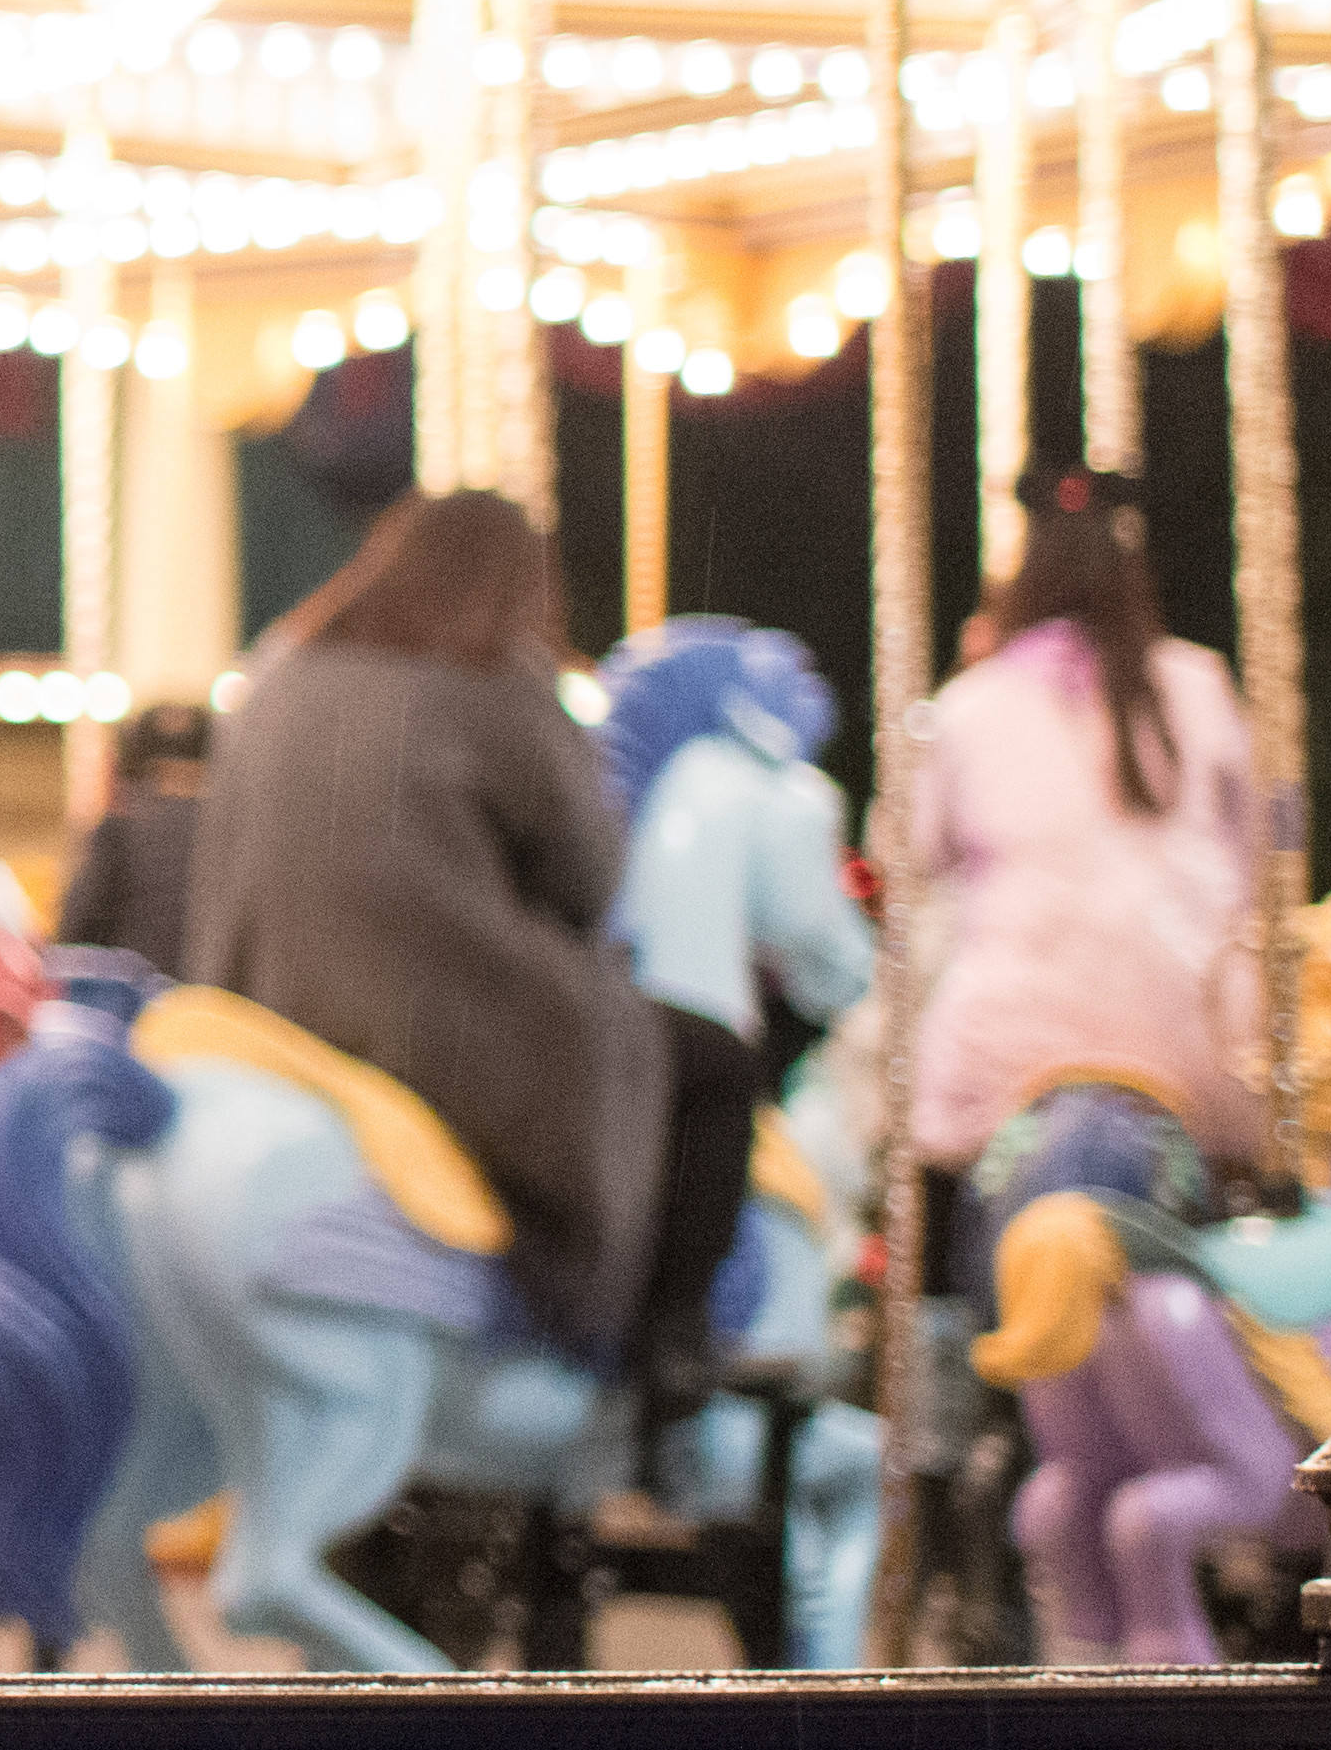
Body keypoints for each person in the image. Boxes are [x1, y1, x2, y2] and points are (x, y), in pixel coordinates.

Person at [188, 491, 673, 1373]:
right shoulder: (495, 686)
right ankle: (629, 1350)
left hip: (253, 1004)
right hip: (413, 1014)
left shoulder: (277, 676)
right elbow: (592, 881)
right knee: (681, 1054)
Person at [894, 482, 1265, 1183]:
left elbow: (913, 853)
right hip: (1189, 1038)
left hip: (1010, 1049)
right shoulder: (1200, 682)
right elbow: (1253, 853)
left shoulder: (973, 703)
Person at [597, 614, 876, 1431]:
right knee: (718, 1075)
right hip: (677, 1016)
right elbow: (819, 929)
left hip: (601, 999)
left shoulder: (645, 786)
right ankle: (676, 1324)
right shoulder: (759, 783)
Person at [48, 692, 214, 965]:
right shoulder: (236, 836)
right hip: (224, 1003)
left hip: (142, 1001)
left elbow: (75, 935)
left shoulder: (120, 831)